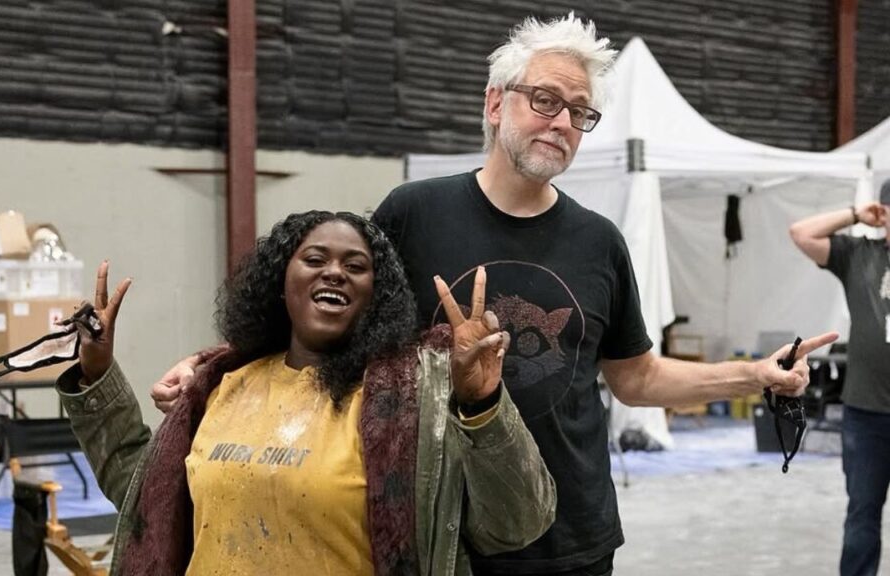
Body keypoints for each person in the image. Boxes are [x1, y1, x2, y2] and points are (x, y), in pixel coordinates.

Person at [364, 13, 837, 576]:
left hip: (572, 536)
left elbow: (635, 378)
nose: (562, 121)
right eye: (544, 99)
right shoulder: (413, 214)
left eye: (579, 111)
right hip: (439, 529)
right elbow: (358, 359)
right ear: (495, 105)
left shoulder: (598, 241)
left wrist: (755, 375)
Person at [60, 210, 555, 575]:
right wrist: (98, 373)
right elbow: (147, 499)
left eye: (355, 266)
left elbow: (516, 524)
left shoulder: (416, 397)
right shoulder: (220, 385)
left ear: (375, 298)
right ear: (282, 284)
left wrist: (484, 403)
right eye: (314, 259)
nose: (334, 271)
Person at [789, 181, 890, 576]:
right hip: (866, 415)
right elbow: (801, 233)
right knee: (862, 515)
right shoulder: (857, 254)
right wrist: (854, 214)